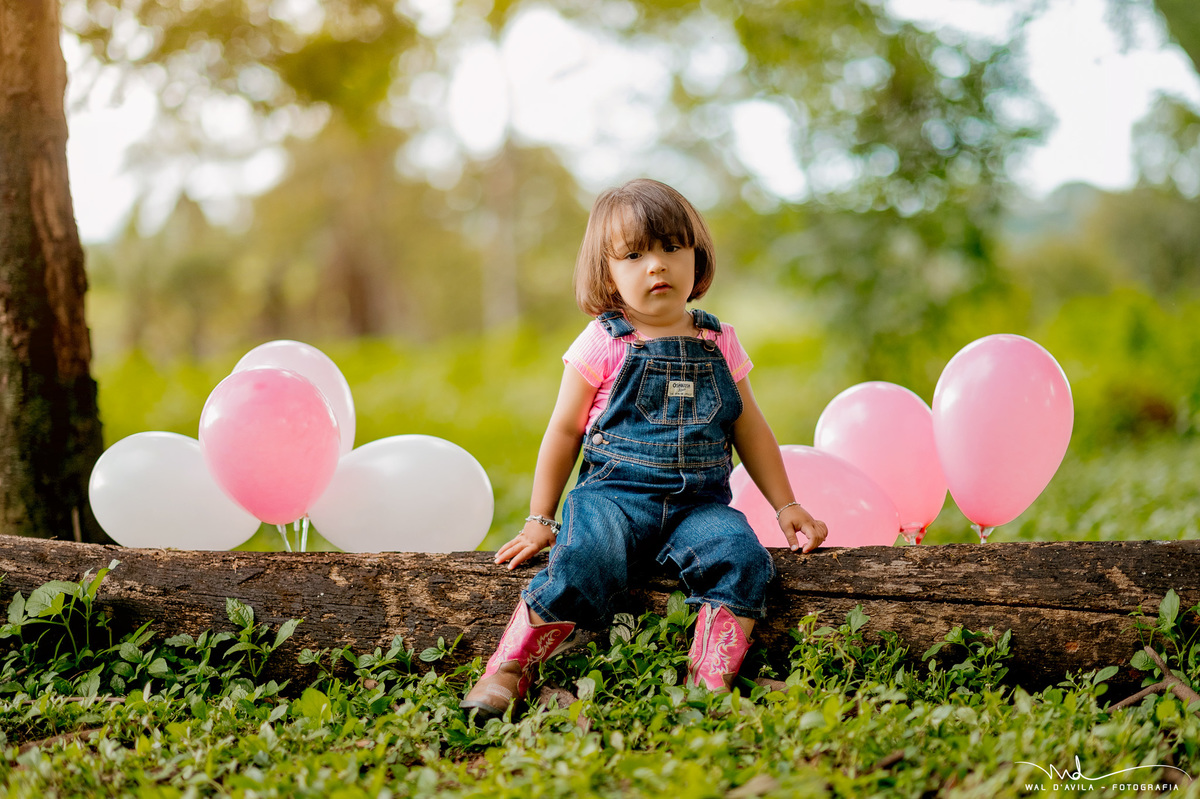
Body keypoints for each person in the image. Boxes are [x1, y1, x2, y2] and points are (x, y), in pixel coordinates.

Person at [461, 178, 828, 718]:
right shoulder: (605, 341)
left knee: (740, 555)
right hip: (614, 497)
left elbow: (750, 426)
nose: (656, 266)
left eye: (671, 248)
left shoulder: (718, 340)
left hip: (697, 507)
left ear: (696, 256)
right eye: (633, 255)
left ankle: (709, 682)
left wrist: (786, 504)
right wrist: (542, 517)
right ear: (606, 274)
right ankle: (510, 669)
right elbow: (564, 431)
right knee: (589, 555)